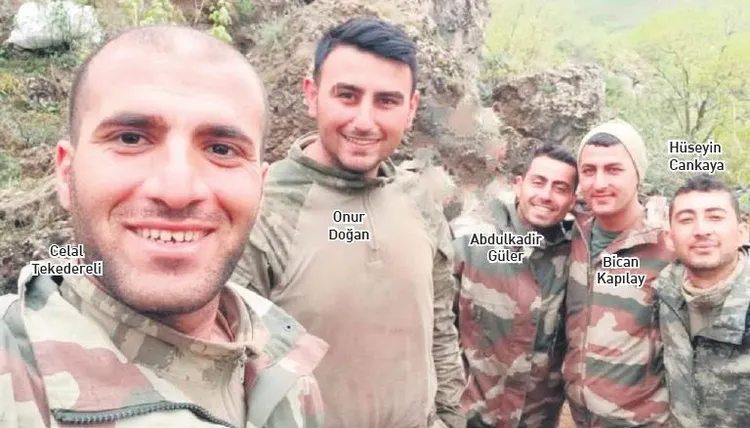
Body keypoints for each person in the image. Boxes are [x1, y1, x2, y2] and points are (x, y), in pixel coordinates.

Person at [0, 25, 328, 428]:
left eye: (221, 149)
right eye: (130, 139)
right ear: (66, 174)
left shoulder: (285, 356)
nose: (177, 190)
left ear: (261, 188)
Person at [230, 17, 466, 428]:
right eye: (347, 95)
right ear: (312, 95)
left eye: (386, 101)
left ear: (411, 109)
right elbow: (226, 364)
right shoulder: (261, 208)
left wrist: (449, 416)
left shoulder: (419, 200)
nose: (364, 121)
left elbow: (440, 325)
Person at [452, 144, 577, 428]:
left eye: (560, 188)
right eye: (538, 182)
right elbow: (435, 327)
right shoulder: (470, 241)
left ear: (573, 200)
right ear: (518, 185)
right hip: (467, 418)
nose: (546, 195)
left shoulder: (575, 257)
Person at [563, 119, 674, 426]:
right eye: (589, 171)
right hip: (581, 415)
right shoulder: (572, 234)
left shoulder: (667, 242)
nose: (599, 183)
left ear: (638, 174)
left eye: (614, 170)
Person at [654, 174, 750, 428]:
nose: (701, 230)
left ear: (742, 232)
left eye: (715, 217)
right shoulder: (664, 292)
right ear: (669, 238)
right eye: (686, 220)